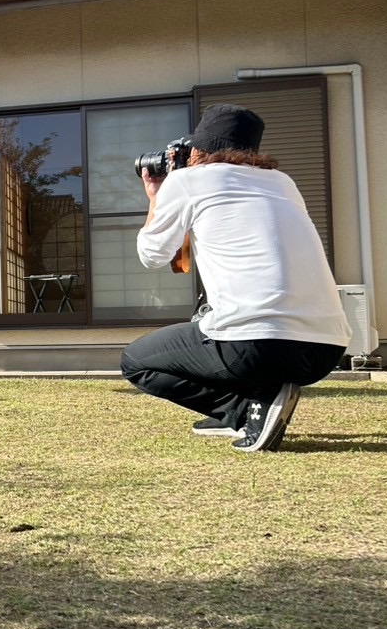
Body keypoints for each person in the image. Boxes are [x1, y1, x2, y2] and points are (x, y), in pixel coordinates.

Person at [119, 103, 351, 452]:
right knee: (208, 322)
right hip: (325, 351)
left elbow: (152, 255)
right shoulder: (282, 182)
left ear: (198, 149)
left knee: (136, 362)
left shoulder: (187, 181)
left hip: (258, 346)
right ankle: (256, 405)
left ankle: (244, 408)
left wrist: (155, 196)